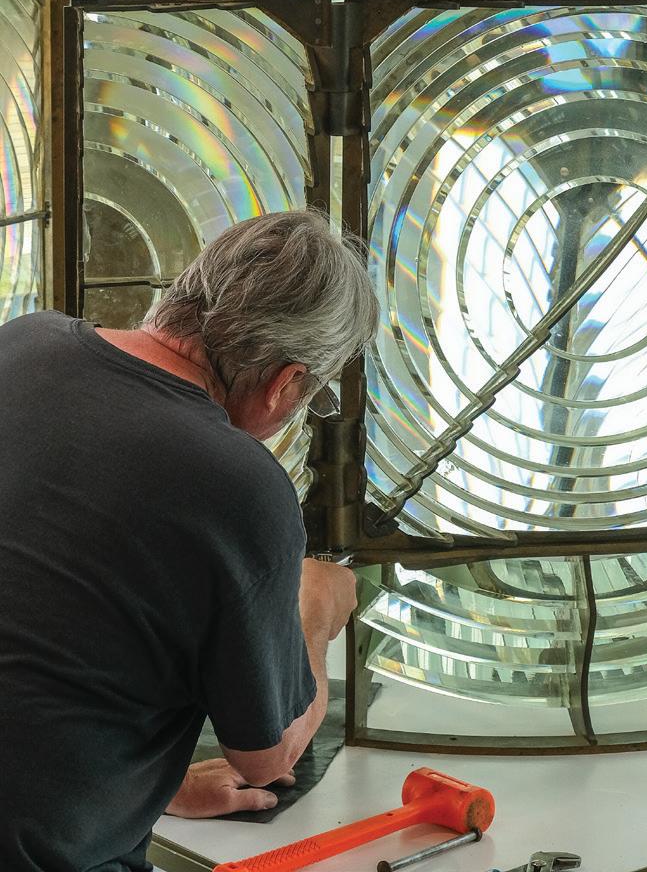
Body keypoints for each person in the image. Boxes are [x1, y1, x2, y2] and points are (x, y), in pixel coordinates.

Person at [0, 209, 379, 872]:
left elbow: (45, 641)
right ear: (285, 382)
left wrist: (159, 786)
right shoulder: (237, 482)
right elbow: (267, 756)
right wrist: (315, 610)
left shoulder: (21, 344)